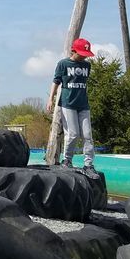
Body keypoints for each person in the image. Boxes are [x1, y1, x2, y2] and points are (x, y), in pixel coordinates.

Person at [46, 37, 98, 176]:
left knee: (87, 135)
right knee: (73, 134)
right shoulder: (63, 64)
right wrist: (51, 98)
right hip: (68, 104)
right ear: (73, 51)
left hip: (83, 104)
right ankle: (67, 161)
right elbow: (56, 81)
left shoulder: (87, 66)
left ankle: (88, 165)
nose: (84, 57)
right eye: (82, 53)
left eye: (86, 54)